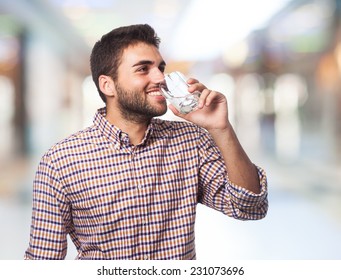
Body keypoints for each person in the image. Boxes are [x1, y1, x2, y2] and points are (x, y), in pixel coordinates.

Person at [24, 24, 268, 260]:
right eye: (143, 69)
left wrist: (221, 128)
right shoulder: (60, 162)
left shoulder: (190, 141)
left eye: (160, 67)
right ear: (107, 85)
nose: (160, 77)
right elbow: (43, 260)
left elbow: (249, 206)